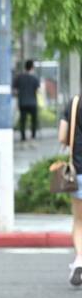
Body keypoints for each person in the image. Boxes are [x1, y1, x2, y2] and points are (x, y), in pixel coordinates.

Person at [58, 95, 82, 286]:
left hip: (79, 171)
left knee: (79, 220)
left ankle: (80, 260)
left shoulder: (74, 103)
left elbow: (62, 136)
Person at [13, 60, 41, 145]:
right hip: (33, 102)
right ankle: (32, 138)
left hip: (22, 102)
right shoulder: (35, 78)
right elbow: (38, 91)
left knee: (23, 121)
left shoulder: (19, 77)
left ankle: (23, 139)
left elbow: (15, 91)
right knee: (34, 121)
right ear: (32, 67)